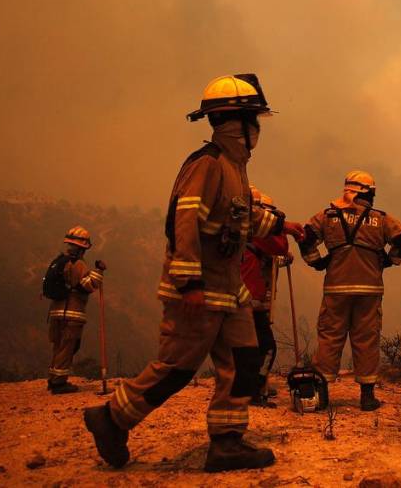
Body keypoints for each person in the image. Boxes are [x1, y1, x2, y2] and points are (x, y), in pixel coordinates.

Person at [83, 74, 304, 472]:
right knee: (176, 368)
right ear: (236, 122)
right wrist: (188, 284)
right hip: (200, 289)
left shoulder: (235, 168)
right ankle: (111, 418)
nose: (258, 129)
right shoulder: (208, 164)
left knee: (244, 361)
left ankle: (227, 442)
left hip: (229, 291)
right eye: (254, 120)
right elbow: (184, 221)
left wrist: (280, 225)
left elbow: (236, 219)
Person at [298, 170, 401, 411]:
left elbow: (304, 237)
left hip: (336, 288)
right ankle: (367, 396)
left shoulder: (327, 216)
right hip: (369, 290)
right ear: (368, 193)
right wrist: (389, 261)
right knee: (367, 338)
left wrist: (317, 262)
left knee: (330, 337)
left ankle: (322, 395)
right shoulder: (381, 219)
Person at [242, 188, 291, 406]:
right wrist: (279, 225)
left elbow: (266, 257)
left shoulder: (240, 231)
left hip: (241, 300)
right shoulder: (257, 232)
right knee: (266, 347)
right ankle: (254, 390)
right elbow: (279, 246)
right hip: (251, 301)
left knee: (242, 347)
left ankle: (247, 388)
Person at [43, 225, 105, 394]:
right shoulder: (77, 264)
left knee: (58, 347)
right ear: (83, 247)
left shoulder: (60, 261)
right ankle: (59, 383)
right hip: (72, 314)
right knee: (67, 347)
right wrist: (99, 271)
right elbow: (88, 285)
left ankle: (53, 379)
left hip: (56, 313)